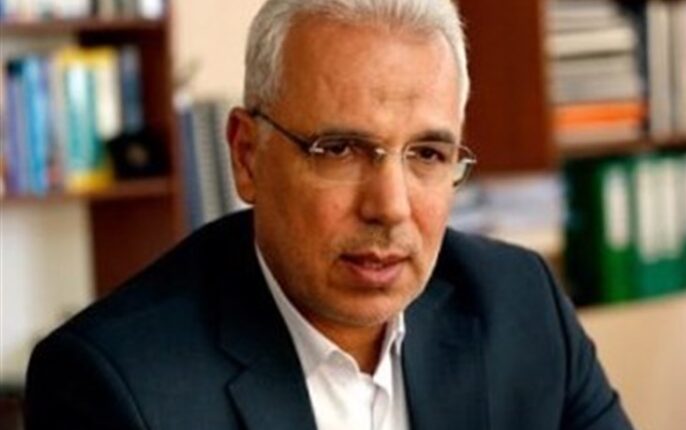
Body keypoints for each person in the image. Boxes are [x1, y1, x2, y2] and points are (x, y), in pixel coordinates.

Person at [25, 0, 633, 428]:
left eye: (427, 154)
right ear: (247, 156)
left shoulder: (520, 305)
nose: (390, 207)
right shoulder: (117, 384)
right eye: (339, 149)